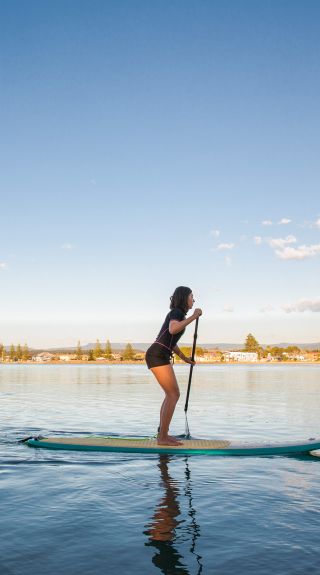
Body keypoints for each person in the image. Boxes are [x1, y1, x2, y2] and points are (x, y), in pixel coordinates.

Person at [145, 286, 202, 446]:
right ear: (184, 298)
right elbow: (173, 329)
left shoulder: (178, 314)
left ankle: (163, 435)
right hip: (157, 355)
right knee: (173, 394)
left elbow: (171, 341)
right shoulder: (177, 313)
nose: (193, 300)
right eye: (191, 296)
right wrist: (193, 316)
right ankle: (162, 437)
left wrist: (184, 358)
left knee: (171, 394)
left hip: (159, 354)